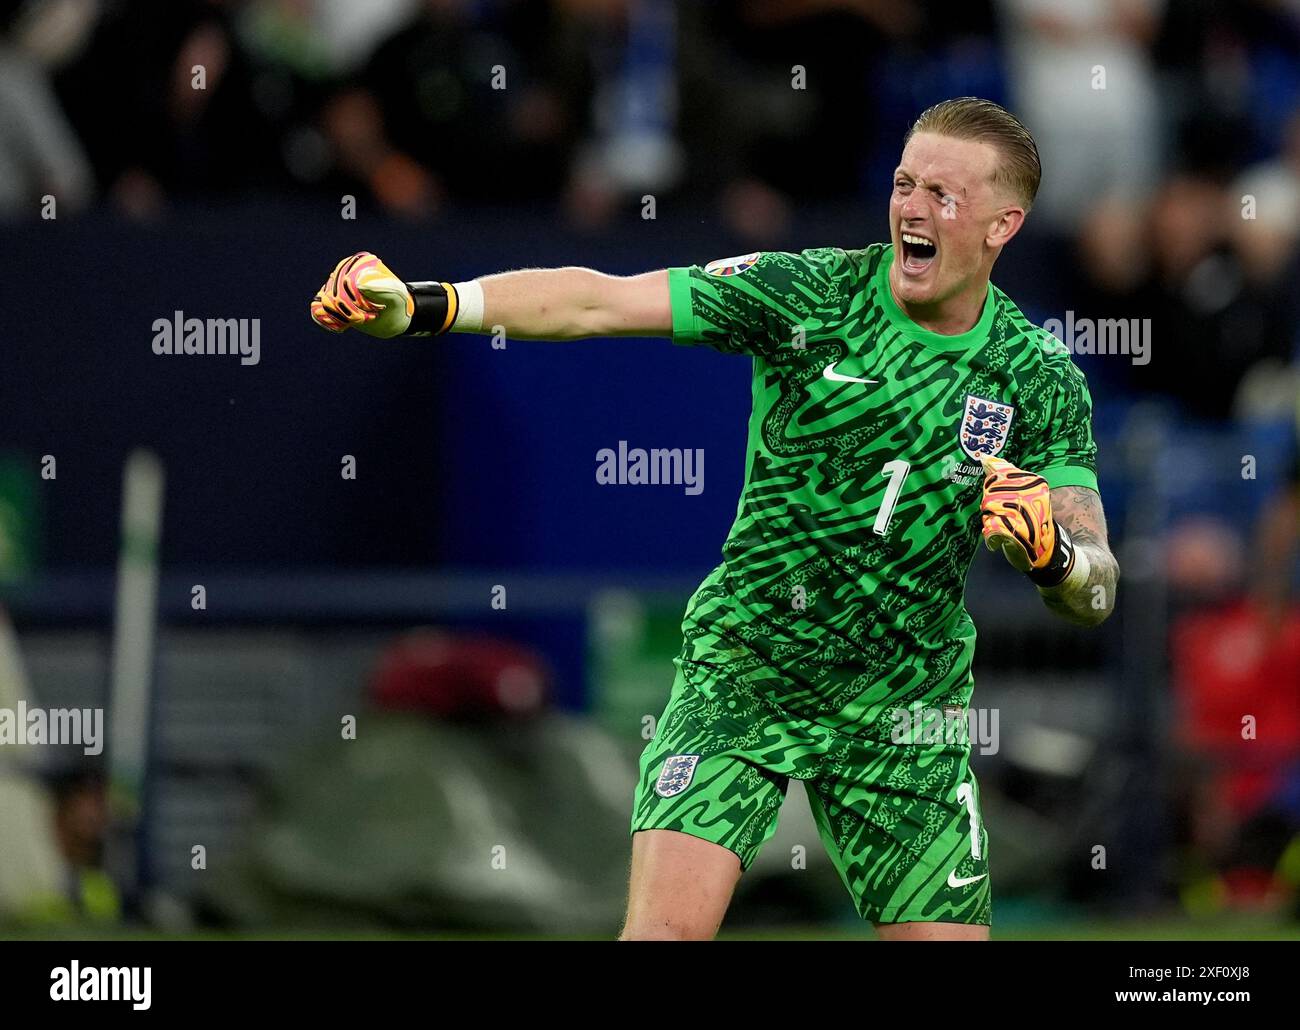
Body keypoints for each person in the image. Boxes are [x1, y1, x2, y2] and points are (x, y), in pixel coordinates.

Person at [308, 97, 1120, 940]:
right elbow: (600, 302)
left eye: (943, 196)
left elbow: (1095, 590)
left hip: (902, 710)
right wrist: (432, 303)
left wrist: (1055, 557)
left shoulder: (1037, 375)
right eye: (904, 183)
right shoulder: (808, 294)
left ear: (1003, 224)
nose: (912, 209)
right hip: (747, 674)